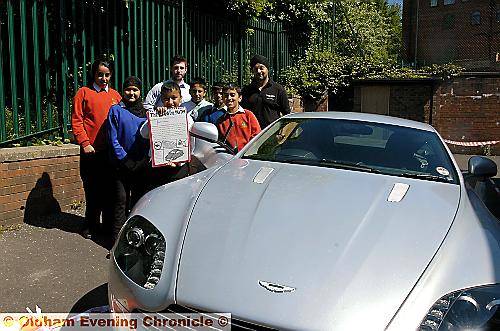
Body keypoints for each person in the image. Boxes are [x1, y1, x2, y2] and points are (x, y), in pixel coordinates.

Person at [72, 59, 121, 239]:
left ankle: (107, 227)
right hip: (91, 152)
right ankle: (89, 226)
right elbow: (77, 120)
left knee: (109, 192)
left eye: (107, 75)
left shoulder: (116, 96)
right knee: (92, 191)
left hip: (110, 152)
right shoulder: (83, 93)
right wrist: (85, 143)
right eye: (100, 74)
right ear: (94, 74)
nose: (103, 78)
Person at [107, 76, 149, 243]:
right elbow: (113, 139)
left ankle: (136, 242)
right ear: (123, 91)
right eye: (128, 89)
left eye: (135, 90)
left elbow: (151, 138)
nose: (131, 93)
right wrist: (125, 160)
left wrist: (142, 161)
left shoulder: (147, 113)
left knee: (139, 203)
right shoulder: (115, 110)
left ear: (140, 92)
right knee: (121, 202)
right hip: (121, 165)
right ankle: (117, 243)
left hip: (140, 165)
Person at [141, 82, 204, 191]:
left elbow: (190, 143)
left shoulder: (187, 118)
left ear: (180, 98)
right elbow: (143, 133)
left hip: (179, 169)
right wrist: (155, 118)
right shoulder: (156, 115)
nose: (170, 102)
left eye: (174, 98)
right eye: (166, 99)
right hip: (158, 169)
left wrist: (179, 161)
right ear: (161, 99)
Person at [241, 54, 290, 129]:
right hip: (253, 134)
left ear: (267, 69)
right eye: (255, 68)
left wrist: (282, 132)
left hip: (272, 133)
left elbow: (287, 114)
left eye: (261, 68)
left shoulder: (278, 89)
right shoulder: (247, 90)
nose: (259, 71)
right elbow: (242, 113)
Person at [216, 84, 261, 152]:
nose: (229, 98)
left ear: (240, 98)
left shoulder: (248, 115)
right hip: (228, 157)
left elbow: (257, 135)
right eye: (226, 96)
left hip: (247, 155)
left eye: (232, 95)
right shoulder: (221, 120)